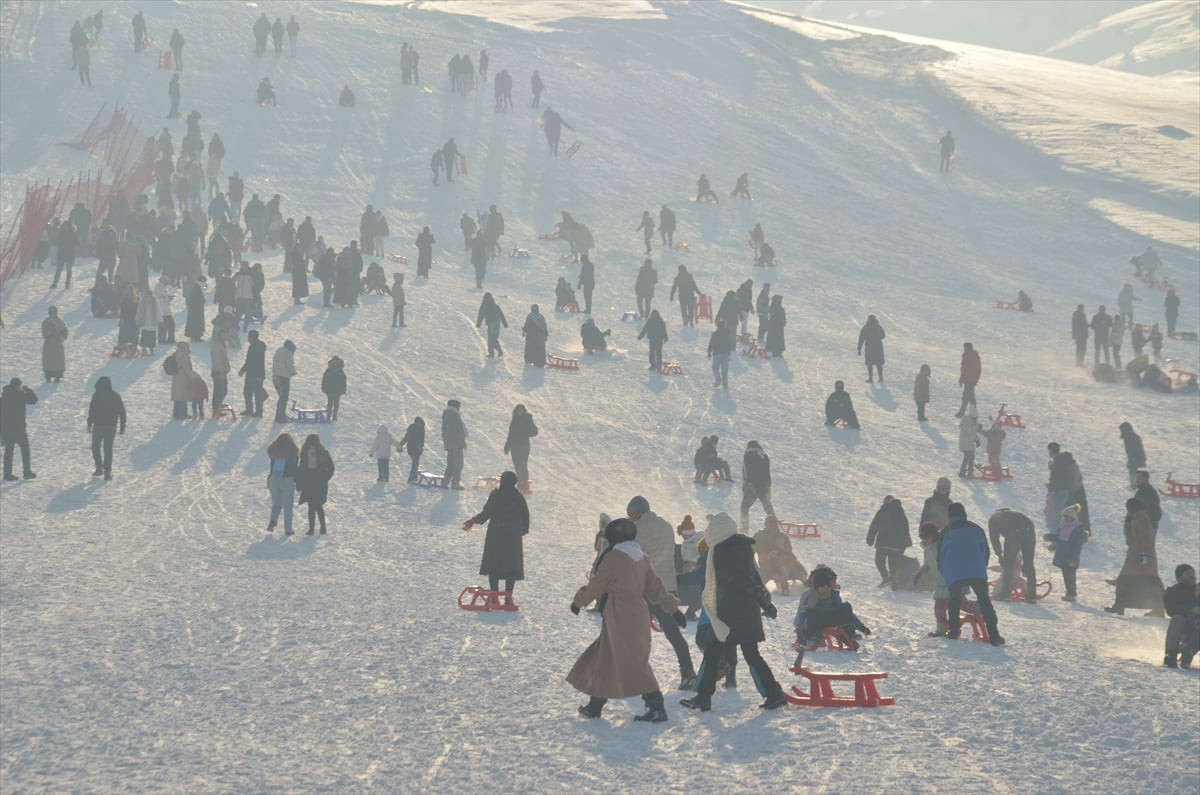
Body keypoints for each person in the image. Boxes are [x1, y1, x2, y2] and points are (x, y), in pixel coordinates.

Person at [568, 518, 683, 722]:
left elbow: (598, 584)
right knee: (607, 655)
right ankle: (595, 706)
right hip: (638, 611)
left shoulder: (614, 557)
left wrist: (579, 601)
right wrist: (673, 609)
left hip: (620, 613)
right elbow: (655, 587)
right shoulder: (641, 557)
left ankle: (656, 706)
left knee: (631, 660)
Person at [679, 512, 786, 712]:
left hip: (731, 611)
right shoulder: (743, 548)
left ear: (717, 532)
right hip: (747, 610)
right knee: (749, 654)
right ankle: (773, 694)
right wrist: (765, 603)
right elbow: (754, 578)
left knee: (713, 651)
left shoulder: (722, 551)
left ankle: (703, 697)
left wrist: (763, 601)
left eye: (711, 531)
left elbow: (740, 579)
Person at [626, 496, 696, 689]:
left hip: (647, 587)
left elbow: (633, 554)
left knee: (634, 632)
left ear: (637, 513)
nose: (630, 519)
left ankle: (633, 673)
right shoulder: (665, 525)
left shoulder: (639, 527)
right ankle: (688, 672)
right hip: (668, 586)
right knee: (673, 633)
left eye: (630, 515)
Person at [939, 503, 1004, 645]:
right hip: (976, 571)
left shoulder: (945, 532)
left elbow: (941, 556)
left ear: (949, 515)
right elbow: (985, 550)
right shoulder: (976, 528)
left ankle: (953, 632)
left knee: (954, 602)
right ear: (964, 513)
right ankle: (994, 635)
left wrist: (945, 574)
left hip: (955, 572)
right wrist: (981, 567)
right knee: (985, 602)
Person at [463, 471, 530, 601]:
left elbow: (487, 512)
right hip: (513, 537)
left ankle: (494, 597)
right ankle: (508, 598)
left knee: (494, 565)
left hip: (496, 534)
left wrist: (473, 521)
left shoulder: (496, 495)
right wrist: (523, 530)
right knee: (511, 566)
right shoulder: (518, 496)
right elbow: (525, 515)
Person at [790, 565, 871, 667]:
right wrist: (799, 627)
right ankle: (813, 637)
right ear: (817, 587)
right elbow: (803, 613)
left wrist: (862, 628)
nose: (826, 589)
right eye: (822, 587)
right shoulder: (810, 595)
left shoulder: (833, 595)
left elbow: (847, 614)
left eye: (828, 586)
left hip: (832, 618)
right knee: (810, 612)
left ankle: (849, 637)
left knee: (846, 608)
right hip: (818, 621)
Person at [1104, 498, 1164, 617]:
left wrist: (1145, 555)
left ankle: (1120, 606)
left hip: (1141, 557)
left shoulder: (1142, 518)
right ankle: (1156, 609)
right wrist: (1127, 522)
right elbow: (1129, 536)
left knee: (1126, 581)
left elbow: (1147, 538)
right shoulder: (1136, 518)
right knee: (1144, 582)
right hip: (1135, 556)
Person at [988, 509, 1037, 603]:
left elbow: (994, 538)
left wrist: (999, 555)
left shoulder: (994, 518)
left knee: (1008, 564)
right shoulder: (1014, 514)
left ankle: (1005, 595)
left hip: (1014, 532)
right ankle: (1032, 596)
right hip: (1029, 529)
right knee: (1029, 564)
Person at [866, 495, 911, 589]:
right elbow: (905, 528)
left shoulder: (882, 511)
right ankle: (894, 582)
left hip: (882, 543)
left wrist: (870, 539)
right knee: (893, 565)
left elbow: (874, 525)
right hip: (896, 546)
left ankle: (886, 577)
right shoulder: (901, 513)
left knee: (879, 562)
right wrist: (907, 542)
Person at [754, 516, 806, 595]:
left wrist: (782, 553)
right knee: (764, 575)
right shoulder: (759, 536)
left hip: (783, 561)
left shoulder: (782, 536)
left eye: (774, 523)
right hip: (767, 563)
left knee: (796, 569)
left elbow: (789, 551)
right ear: (765, 524)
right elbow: (751, 551)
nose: (773, 525)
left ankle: (808, 585)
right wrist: (755, 567)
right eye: (770, 523)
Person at [915, 523, 952, 635]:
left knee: (960, 606)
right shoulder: (927, 550)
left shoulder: (942, 546)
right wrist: (919, 574)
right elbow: (927, 565)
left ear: (934, 535)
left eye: (927, 537)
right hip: (940, 584)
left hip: (951, 581)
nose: (925, 540)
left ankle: (979, 608)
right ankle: (941, 631)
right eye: (922, 537)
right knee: (939, 609)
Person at [0, 378, 37, 481]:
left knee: (8, 452)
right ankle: (27, 472)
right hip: (19, 429)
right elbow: (33, 400)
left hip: (6, 430)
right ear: (18, 386)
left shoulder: (3, 397)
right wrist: (28, 390)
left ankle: (7, 474)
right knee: (25, 450)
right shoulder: (20, 395)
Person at [1163, 564, 1199, 668]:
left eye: (1193, 573)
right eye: (1188, 573)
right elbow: (1171, 609)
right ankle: (1171, 654)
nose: (1192, 576)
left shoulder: (1198, 589)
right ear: (1180, 577)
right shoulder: (1173, 591)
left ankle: (1188, 652)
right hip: (1184, 624)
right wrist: (1190, 610)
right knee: (1177, 619)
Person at [737, 440, 776, 531]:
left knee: (744, 506)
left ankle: (745, 526)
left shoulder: (748, 455)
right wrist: (768, 484)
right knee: (767, 505)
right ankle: (774, 524)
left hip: (753, 485)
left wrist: (749, 484)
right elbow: (767, 472)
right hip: (764, 485)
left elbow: (749, 471)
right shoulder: (764, 456)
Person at [265, 433, 299, 535]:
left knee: (276, 504)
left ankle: (272, 522)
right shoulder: (293, 452)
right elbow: (294, 469)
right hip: (287, 480)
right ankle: (288, 530)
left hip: (273, 479)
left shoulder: (273, 452)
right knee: (287, 507)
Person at [504, 404, 538, 484]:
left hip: (524, 446)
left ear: (524, 411)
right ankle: (520, 482)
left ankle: (525, 483)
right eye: (518, 410)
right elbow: (510, 435)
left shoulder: (527, 419)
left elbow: (535, 432)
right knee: (516, 464)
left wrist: (525, 434)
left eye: (521, 410)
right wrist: (507, 446)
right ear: (515, 411)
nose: (519, 411)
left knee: (522, 465)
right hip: (514, 447)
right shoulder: (514, 420)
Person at [239, 329, 268, 417]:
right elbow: (249, 361)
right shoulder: (254, 346)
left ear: (252, 337)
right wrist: (243, 370)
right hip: (251, 373)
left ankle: (258, 411)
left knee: (256, 393)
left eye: (249, 337)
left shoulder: (256, 347)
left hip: (256, 374)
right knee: (248, 392)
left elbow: (258, 362)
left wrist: (259, 375)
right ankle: (250, 410)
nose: (248, 338)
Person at [441, 399, 467, 489]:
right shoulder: (454, 416)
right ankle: (455, 483)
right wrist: (462, 443)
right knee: (458, 464)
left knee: (451, 463)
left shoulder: (446, 415)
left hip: (449, 444)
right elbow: (458, 431)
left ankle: (445, 481)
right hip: (456, 444)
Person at [40, 307, 68, 382]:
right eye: (52, 311)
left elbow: (65, 330)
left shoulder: (60, 321)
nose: (54, 313)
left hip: (58, 344)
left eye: (55, 311)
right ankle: (48, 376)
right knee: (49, 360)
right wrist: (53, 332)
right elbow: (45, 332)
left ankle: (58, 376)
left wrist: (63, 335)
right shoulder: (46, 322)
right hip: (50, 344)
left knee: (58, 361)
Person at [1133, 468, 1163, 538]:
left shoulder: (1145, 491)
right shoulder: (1146, 489)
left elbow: (1142, 510)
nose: (1136, 480)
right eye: (1136, 478)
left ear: (1145, 479)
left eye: (1139, 478)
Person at [476, 293, 507, 358]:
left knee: (491, 339)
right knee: (494, 338)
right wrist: (505, 324)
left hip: (491, 324)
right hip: (497, 323)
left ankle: (491, 354)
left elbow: (481, 315)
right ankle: (499, 351)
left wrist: (478, 324)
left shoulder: (484, 306)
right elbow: (501, 314)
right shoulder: (495, 306)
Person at [169, 341, 195, 420]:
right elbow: (186, 368)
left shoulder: (176, 354)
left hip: (176, 376)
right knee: (183, 396)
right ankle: (183, 414)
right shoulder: (184, 355)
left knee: (177, 397)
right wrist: (191, 377)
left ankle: (176, 414)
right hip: (182, 377)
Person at [271, 340, 296, 423]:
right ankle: (280, 417)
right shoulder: (288, 353)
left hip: (275, 377)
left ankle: (278, 415)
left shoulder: (278, 351)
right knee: (284, 398)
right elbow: (289, 365)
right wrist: (293, 372)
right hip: (283, 378)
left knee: (281, 397)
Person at [857, 314, 886, 383]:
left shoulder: (866, 327)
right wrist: (877, 338)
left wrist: (859, 349)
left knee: (870, 364)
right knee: (879, 363)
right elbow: (883, 335)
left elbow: (861, 338)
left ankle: (871, 378)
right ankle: (881, 378)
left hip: (869, 348)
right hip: (878, 348)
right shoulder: (878, 327)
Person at [955, 342, 980, 417]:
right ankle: (973, 413)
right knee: (971, 397)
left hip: (969, 380)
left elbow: (965, 370)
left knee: (966, 397)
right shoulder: (973, 356)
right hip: (970, 380)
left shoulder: (968, 356)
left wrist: (962, 380)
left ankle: (962, 413)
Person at [397, 417, 425, 483]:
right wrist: (400, 445)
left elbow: (422, 440)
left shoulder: (422, 429)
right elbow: (406, 437)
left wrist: (421, 447)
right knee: (415, 463)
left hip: (417, 449)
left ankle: (414, 477)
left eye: (419, 423)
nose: (419, 424)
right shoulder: (412, 428)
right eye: (417, 422)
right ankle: (411, 478)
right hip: (411, 448)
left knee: (415, 463)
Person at [707, 319, 733, 389]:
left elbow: (711, 343)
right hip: (726, 354)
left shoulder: (715, 333)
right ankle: (725, 384)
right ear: (724, 326)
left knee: (715, 367)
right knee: (725, 369)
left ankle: (718, 379)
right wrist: (729, 353)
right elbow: (730, 344)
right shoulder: (727, 333)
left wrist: (709, 352)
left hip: (717, 353)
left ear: (717, 326)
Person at [1119, 422, 1146, 487]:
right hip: (1133, 456)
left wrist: (1134, 457)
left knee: (1132, 469)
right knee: (1132, 470)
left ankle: (1134, 484)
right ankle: (1134, 484)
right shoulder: (1128, 437)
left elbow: (1138, 448)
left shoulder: (1132, 437)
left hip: (1136, 456)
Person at [957, 406, 981, 478]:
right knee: (967, 457)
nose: (976, 419)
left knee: (971, 457)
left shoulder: (972, 422)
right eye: (976, 418)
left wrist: (977, 440)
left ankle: (970, 472)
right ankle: (962, 472)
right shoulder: (967, 420)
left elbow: (973, 433)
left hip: (969, 444)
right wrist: (977, 426)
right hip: (965, 444)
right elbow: (970, 430)